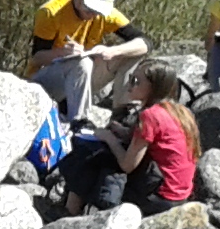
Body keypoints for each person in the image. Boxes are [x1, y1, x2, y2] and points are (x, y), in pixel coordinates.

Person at [60, 59, 199, 215]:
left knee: (95, 158)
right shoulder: (181, 112)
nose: (130, 85)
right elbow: (155, 143)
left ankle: (70, 212)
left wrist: (108, 137)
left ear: (153, 87)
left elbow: (127, 165)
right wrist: (123, 132)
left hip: (158, 197)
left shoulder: (150, 116)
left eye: (136, 81)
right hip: (180, 195)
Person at [24, 0, 150, 124]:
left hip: (82, 79)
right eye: (89, 8)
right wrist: (63, 52)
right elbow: (37, 58)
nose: (92, 14)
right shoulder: (52, 12)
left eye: (97, 11)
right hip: (47, 82)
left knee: (131, 52)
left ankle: (120, 116)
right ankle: (79, 122)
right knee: (83, 63)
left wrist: (113, 51)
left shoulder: (105, 16)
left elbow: (145, 43)